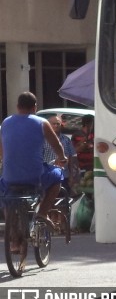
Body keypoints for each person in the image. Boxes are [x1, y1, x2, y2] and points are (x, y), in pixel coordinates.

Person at [0, 92, 68, 229]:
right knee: (58, 176)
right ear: (35, 107)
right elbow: (56, 145)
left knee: (6, 197)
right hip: (35, 177)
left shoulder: (5, 123)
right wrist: (62, 158)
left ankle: (12, 238)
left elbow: (2, 151)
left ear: (18, 106)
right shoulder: (42, 123)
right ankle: (42, 213)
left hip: (10, 176)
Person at [43, 115, 78, 193]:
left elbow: (72, 157)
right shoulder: (42, 140)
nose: (56, 125)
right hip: (48, 176)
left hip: (64, 176)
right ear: (49, 125)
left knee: (63, 200)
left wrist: (72, 175)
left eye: (58, 124)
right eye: (53, 124)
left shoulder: (66, 140)